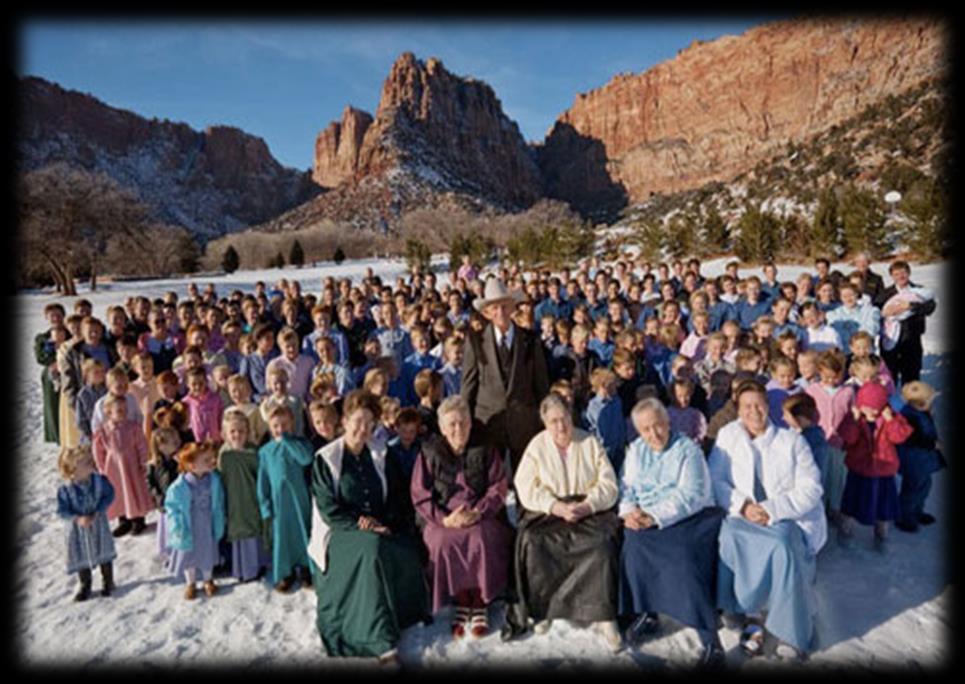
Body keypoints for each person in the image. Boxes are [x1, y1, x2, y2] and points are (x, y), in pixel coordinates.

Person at [307, 390, 428, 664]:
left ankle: (404, 612)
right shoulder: (326, 459)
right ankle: (380, 642)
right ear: (345, 420)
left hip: (378, 527)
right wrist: (360, 524)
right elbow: (328, 509)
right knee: (371, 549)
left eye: (369, 423)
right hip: (339, 534)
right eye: (358, 421)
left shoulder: (380, 454)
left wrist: (387, 523)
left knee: (404, 544)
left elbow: (396, 495)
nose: (363, 429)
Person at [708, 380, 825, 660]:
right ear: (738, 409)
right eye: (746, 406)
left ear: (768, 406)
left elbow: (812, 487)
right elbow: (714, 480)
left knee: (783, 546)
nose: (753, 411)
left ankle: (791, 629)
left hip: (785, 516)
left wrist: (772, 509)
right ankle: (750, 614)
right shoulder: (728, 436)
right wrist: (742, 505)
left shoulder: (791, 440)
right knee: (729, 537)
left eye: (758, 404)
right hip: (741, 514)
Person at [503, 393, 622, 651]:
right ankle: (545, 609)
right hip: (550, 510)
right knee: (534, 542)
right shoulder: (536, 446)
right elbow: (524, 486)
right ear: (545, 423)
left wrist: (588, 504)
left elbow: (609, 484)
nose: (561, 426)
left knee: (602, 543)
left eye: (565, 418)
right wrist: (554, 506)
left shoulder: (589, 442)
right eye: (554, 420)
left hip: (587, 508)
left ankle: (604, 615)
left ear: (572, 416)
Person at [618, 398, 726, 667]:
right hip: (646, 518)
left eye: (658, 426)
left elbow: (691, 494)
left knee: (682, 559)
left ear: (668, 423)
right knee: (632, 547)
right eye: (645, 429)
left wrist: (653, 516)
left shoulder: (688, 449)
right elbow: (627, 486)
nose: (653, 434)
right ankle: (649, 612)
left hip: (688, 517)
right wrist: (630, 512)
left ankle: (709, 637)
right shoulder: (636, 450)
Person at [410, 396, 513, 639]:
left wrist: (479, 511)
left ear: (470, 423)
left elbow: (498, 485)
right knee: (442, 542)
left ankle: (479, 602)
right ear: (443, 429)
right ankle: (460, 599)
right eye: (452, 425)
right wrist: (444, 519)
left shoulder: (485, 446)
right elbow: (419, 493)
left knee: (481, 538)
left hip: (480, 512)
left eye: (463, 422)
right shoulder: (429, 452)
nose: (458, 429)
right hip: (443, 516)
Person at [461, 278, 550, 479]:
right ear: (487, 312)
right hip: (488, 423)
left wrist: (543, 419)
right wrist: (466, 422)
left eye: (504, 306)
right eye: (494, 307)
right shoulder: (475, 341)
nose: (500, 312)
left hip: (524, 422)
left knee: (528, 480)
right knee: (492, 483)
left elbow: (541, 384)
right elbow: (469, 385)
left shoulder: (529, 339)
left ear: (512, 308)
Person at [837, 382, 913, 552]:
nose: (871, 412)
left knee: (883, 506)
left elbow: (899, 437)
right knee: (851, 502)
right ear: (860, 404)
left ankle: (881, 533)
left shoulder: (890, 418)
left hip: (883, 472)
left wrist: (890, 420)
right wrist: (855, 420)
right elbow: (848, 438)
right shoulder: (854, 418)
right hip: (859, 469)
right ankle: (846, 529)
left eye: (876, 408)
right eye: (867, 407)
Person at [257, 405, 315, 592]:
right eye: (275, 426)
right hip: (279, 503)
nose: (280, 429)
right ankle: (286, 573)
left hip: (299, 500)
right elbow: (263, 481)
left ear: (292, 425)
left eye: (284, 425)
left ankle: (307, 570)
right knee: (282, 538)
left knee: (303, 533)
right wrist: (265, 506)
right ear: (269, 427)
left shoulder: (300, 444)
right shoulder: (265, 451)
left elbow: (306, 459)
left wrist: (288, 441)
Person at [164, 441, 226, 600]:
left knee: (207, 552)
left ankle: (208, 580)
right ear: (192, 466)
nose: (212, 462)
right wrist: (177, 524)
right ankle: (190, 582)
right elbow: (172, 507)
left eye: (212, 458)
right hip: (188, 525)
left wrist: (220, 516)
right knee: (189, 555)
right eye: (206, 460)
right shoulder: (180, 486)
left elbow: (218, 501)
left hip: (206, 524)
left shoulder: (213, 480)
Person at [57, 444, 117, 601]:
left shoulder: (98, 481)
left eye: (90, 460)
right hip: (78, 528)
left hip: (98, 523)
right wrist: (77, 518)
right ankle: (85, 584)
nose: (91, 463)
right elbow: (62, 510)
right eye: (85, 462)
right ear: (73, 468)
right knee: (80, 554)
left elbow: (109, 494)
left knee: (103, 549)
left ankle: (108, 581)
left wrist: (99, 510)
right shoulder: (66, 489)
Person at [218, 409, 271, 582]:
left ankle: (255, 567)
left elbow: (262, 477)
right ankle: (240, 567)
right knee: (237, 534)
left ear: (248, 432)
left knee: (253, 532)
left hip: (251, 499)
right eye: (232, 431)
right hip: (233, 501)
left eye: (241, 431)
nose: (237, 435)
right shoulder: (224, 455)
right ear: (225, 433)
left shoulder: (254, 453)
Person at [92, 395, 153, 537]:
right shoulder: (103, 431)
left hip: (131, 465)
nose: (124, 413)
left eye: (125, 410)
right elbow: (98, 450)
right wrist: (101, 467)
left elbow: (142, 445)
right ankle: (123, 520)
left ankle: (138, 519)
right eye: (119, 411)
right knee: (119, 492)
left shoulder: (133, 427)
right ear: (108, 413)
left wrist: (143, 460)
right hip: (114, 468)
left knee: (134, 489)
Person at [874, 260, 937, 386]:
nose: (900, 276)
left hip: (912, 338)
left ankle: (911, 403)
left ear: (909, 273)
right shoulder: (884, 294)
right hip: (890, 340)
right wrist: (885, 313)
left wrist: (911, 306)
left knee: (911, 374)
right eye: (896, 274)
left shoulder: (919, 291)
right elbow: (875, 313)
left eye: (903, 272)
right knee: (889, 375)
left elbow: (930, 307)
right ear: (892, 276)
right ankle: (890, 402)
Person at [895, 381, 945, 533]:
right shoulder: (909, 417)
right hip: (914, 461)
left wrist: (929, 415)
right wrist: (932, 445)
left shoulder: (920, 413)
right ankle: (904, 516)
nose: (931, 404)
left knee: (924, 487)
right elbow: (914, 439)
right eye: (929, 401)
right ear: (920, 403)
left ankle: (917, 511)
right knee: (912, 489)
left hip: (923, 461)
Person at [148, 425, 182, 563]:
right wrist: (157, 497)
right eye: (172, 442)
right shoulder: (155, 464)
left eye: (176, 440)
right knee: (166, 529)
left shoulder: (178, 461)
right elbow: (151, 483)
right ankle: (166, 552)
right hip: (164, 502)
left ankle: (178, 551)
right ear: (161, 446)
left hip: (178, 501)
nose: (177, 443)